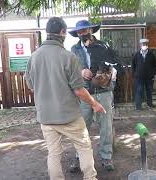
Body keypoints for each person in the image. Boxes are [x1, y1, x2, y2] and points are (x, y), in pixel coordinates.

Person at [25, 17, 105, 180]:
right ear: (62, 32)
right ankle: (90, 178)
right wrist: (94, 103)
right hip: (69, 116)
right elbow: (79, 90)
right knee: (84, 146)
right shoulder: (68, 57)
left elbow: (30, 85)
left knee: (53, 153)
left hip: (46, 117)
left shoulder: (33, 57)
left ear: (47, 33)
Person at [69, 20, 117, 171]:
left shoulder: (103, 46)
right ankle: (79, 157)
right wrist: (81, 72)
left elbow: (114, 63)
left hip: (104, 91)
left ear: (91, 30)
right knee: (82, 128)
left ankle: (106, 157)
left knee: (106, 126)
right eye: (80, 31)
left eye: (85, 30)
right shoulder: (74, 49)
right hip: (84, 93)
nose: (82, 33)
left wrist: (107, 71)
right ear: (77, 33)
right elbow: (70, 70)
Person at [132, 39, 156, 110]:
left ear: (147, 45)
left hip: (149, 77)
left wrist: (155, 74)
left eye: (146, 44)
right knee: (139, 91)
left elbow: (155, 65)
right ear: (140, 45)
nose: (144, 45)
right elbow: (133, 65)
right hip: (139, 77)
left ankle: (149, 104)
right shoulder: (136, 55)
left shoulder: (151, 54)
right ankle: (138, 106)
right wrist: (134, 74)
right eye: (143, 44)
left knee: (149, 90)